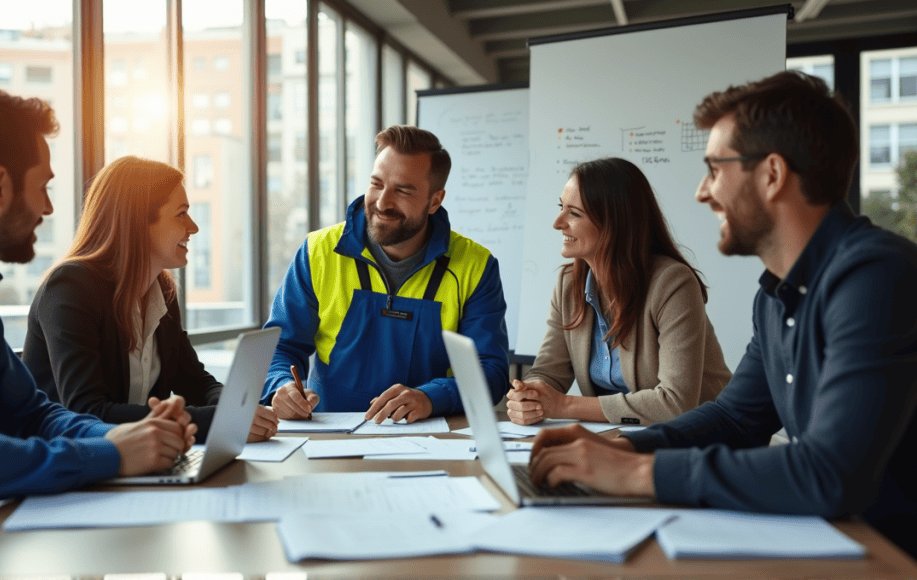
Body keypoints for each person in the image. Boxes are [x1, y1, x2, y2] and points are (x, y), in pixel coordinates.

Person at [527, 71, 917, 557]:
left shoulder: (876, 276)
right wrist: (625, 448)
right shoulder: (775, 296)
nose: (702, 192)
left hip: (889, 553)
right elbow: (736, 418)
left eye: (715, 169)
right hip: (836, 540)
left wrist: (636, 473)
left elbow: (830, 472)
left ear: (772, 175)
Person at [0, 86, 196, 550]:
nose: (49, 208)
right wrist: (109, 454)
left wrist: (130, 438)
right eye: (43, 187)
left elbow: (35, 415)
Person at [262, 125, 509, 423]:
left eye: (403, 190)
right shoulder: (318, 251)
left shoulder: (476, 266)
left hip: (429, 436)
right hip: (327, 433)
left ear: (435, 201)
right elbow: (280, 346)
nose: (382, 202)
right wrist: (282, 387)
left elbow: (491, 371)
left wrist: (431, 397)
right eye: (376, 184)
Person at [22, 157, 278, 444]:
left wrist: (235, 409)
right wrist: (218, 421)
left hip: (133, 463)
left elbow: (195, 382)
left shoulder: (162, 292)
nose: (193, 227)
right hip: (72, 466)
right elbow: (86, 411)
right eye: (181, 214)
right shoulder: (70, 287)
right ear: (137, 221)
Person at [507, 158, 731, 426]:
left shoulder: (672, 284)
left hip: (704, 438)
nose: (558, 223)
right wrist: (529, 396)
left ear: (614, 223)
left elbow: (675, 404)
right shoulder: (569, 284)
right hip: (621, 437)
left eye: (574, 213)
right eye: (561, 208)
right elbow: (548, 372)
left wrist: (564, 405)